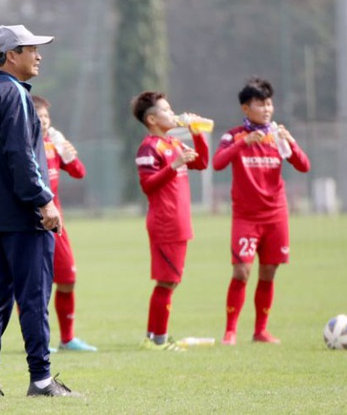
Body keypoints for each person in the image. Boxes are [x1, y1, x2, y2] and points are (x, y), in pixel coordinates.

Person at [0, 24, 78, 398]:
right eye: (31, 49)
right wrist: (43, 201)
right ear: (12, 55)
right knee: (34, 296)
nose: (38, 55)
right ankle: (42, 379)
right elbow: (21, 154)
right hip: (24, 218)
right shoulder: (16, 95)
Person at [212, 76, 311, 346]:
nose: (266, 109)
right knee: (241, 272)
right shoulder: (233, 136)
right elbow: (218, 163)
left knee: (269, 272)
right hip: (246, 217)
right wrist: (243, 143)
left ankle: (260, 331)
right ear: (246, 108)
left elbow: (304, 166)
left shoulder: (277, 136)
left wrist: (291, 142)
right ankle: (230, 331)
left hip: (276, 215)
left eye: (269, 104)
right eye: (260, 104)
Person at [132, 91, 210, 351]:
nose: (172, 113)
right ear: (152, 119)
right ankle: (158, 340)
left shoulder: (175, 143)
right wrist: (174, 165)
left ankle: (153, 337)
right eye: (166, 110)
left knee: (171, 281)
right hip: (165, 222)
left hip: (179, 222)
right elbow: (148, 185)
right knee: (167, 281)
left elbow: (202, 163)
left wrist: (196, 133)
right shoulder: (149, 147)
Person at [33, 95, 97, 352]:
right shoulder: (25, 146)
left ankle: (68, 339)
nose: (44, 121)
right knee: (37, 284)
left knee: (68, 277)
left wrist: (66, 153)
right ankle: (39, 340)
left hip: (57, 223)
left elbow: (80, 173)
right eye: (38, 117)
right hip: (32, 223)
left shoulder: (53, 144)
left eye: (47, 117)